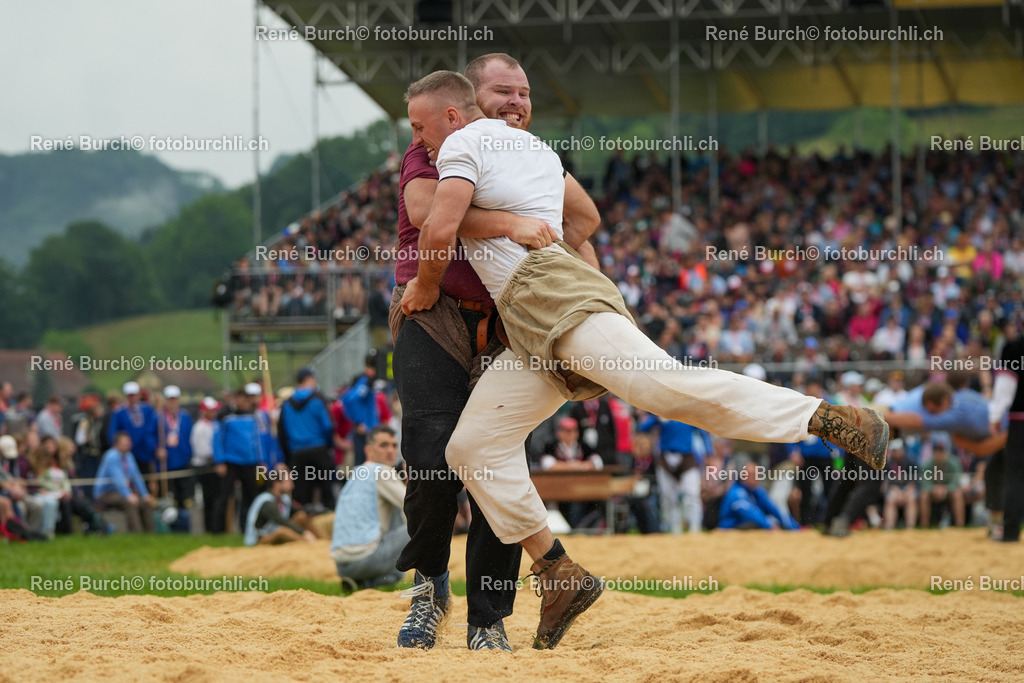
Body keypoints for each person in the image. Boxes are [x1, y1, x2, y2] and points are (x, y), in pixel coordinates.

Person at [400, 70, 889, 648]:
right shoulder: (535, 149)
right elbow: (581, 220)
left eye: (420, 127)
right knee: (473, 447)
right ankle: (557, 572)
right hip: (531, 318)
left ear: (453, 115)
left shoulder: (463, 142)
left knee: (663, 386)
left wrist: (425, 286)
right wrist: (517, 225)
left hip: (550, 294)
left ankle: (826, 418)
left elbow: (437, 227)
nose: (417, 140)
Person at [388, 53, 602, 653]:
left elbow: (583, 218)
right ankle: (430, 584)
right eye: (503, 92)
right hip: (433, 309)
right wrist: (512, 223)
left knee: (495, 464)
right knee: (430, 456)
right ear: (467, 104)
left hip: (510, 322)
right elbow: (426, 214)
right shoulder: (433, 142)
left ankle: (488, 617)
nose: (516, 103)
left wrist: (550, 260)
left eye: (524, 93)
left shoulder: (530, 154)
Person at [330, 426, 408, 589]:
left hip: (341, 565)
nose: (390, 451)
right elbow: (415, 507)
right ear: (368, 450)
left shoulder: (356, 474)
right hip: (367, 558)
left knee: (397, 573)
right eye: (384, 445)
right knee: (424, 524)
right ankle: (433, 579)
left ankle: (361, 584)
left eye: (394, 445)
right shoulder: (383, 472)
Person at [212, 383, 282, 534]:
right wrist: (220, 461)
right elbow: (217, 440)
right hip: (231, 462)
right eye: (243, 399)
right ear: (236, 399)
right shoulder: (224, 416)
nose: (245, 403)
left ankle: (248, 528)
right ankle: (217, 530)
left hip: (251, 463)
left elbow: (258, 440)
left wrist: (262, 460)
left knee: (251, 496)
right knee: (224, 496)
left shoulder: (255, 416)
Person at [278, 367, 336, 508]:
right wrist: (329, 446)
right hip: (319, 449)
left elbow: (282, 433)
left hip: (297, 453)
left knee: (300, 497)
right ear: (309, 379)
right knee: (327, 492)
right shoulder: (318, 399)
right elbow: (327, 426)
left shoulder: (286, 404)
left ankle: (302, 520)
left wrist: (287, 457)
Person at [641, 415, 710, 534]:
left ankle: (695, 529)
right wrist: (656, 418)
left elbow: (703, 431)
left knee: (692, 494)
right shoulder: (662, 413)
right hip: (665, 458)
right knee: (669, 497)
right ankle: (674, 530)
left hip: (687, 457)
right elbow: (642, 428)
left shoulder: (688, 414)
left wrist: (709, 451)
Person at [244, 467, 325, 546]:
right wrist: (304, 532)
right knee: (282, 532)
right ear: (277, 484)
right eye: (288, 482)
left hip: (275, 531)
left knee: (301, 516)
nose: (292, 486)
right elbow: (282, 521)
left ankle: (325, 540)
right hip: (259, 539)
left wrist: (312, 511)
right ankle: (311, 543)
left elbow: (298, 510)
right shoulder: (266, 501)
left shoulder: (284, 499)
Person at [94, 432, 156, 533]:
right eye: (125, 442)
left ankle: (151, 533)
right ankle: (137, 533)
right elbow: (118, 479)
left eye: (129, 441)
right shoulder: (111, 456)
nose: (128, 444)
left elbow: (137, 477)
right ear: (117, 444)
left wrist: (145, 494)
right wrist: (128, 495)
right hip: (105, 493)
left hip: (120, 492)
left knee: (145, 503)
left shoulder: (129, 456)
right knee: (129, 503)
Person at [718, 461, 800, 530]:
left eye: (758, 475)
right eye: (752, 475)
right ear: (743, 476)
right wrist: (770, 526)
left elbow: (774, 509)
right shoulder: (736, 493)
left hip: (748, 530)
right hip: (730, 530)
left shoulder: (758, 491)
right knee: (759, 523)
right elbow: (751, 513)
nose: (755, 478)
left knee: (774, 522)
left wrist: (794, 527)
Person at [107, 382, 158, 481]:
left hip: (146, 453)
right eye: (130, 395)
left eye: (134, 395)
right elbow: (113, 433)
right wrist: (119, 446)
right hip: (128, 454)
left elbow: (153, 429)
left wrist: (154, 446)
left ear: (138, 395)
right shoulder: (119, 412)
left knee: (147, 479)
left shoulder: (148, 409)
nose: (132, 398)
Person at [155, 385, 193, 509]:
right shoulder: (158, 417)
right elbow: (150, 436)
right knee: (168, 493)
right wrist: (157, 448)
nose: (172, 402)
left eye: (174, 399)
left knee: (183, 493)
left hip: (183, 459)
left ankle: (183, 515)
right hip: (166, 461)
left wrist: (189, 453)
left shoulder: (185, 416)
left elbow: (190, 436)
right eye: (170, 399)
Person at [341, 353, 380, 467]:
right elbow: (350, 400)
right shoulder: (365, 381)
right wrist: (359, 422)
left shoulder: (366, 380)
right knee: (364, 466)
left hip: (369, 429)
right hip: (366, 431)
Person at [190, 396, 221, 533]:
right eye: (211, 410)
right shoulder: (199, 427)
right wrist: (218, 455)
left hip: (214, 465)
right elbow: (201, 450)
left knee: (215, 498)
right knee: (208, 498)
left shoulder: (215, 425)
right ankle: (208, 528)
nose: (214, 413)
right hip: (204, 467)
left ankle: (215, 526)